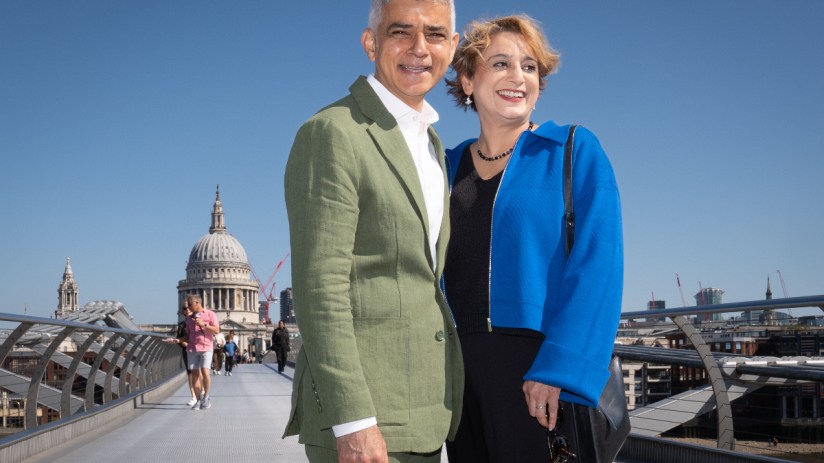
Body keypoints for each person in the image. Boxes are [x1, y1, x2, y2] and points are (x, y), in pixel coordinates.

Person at [282, 1, 463, 461]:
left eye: (436, 35)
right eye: (401, 32)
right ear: (371, 43)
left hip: (422, 411)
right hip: (366, 424)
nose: (420, 48)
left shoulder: (431, 145)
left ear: (453, 47)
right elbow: (320, 287)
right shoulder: (332, 133)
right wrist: (354, 422)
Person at [442, 15, 623, 462]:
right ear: (467, 79)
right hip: (455, 375)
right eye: (500, 63)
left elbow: (598, 265)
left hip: (536, 373)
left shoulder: (574, 151)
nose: (517, 77)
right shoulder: (440, 167)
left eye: (530, 67)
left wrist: (558, 369)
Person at [180, 294, 220, 410]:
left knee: (205, 372)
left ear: (197, 303)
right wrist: (176, 340)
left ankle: (206, 397)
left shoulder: (210, 314)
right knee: (195, 375)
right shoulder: (188, 319)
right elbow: (187, 336)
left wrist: (204, 324)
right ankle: (198, 399)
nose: (188, 307)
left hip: (206, 347)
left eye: (190, 304)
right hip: (192, 348)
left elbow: (217, 330)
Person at [174, 303, 198, 406]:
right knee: (190, 374)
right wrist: (182, 343)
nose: (187, 310)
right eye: (185, 309)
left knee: (198, 373)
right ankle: (193, 396)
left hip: (198, 350)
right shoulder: (182, 325)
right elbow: (178, 338)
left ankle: (200, 392)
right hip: (187, 351)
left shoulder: (199, 323)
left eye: (189, 308)